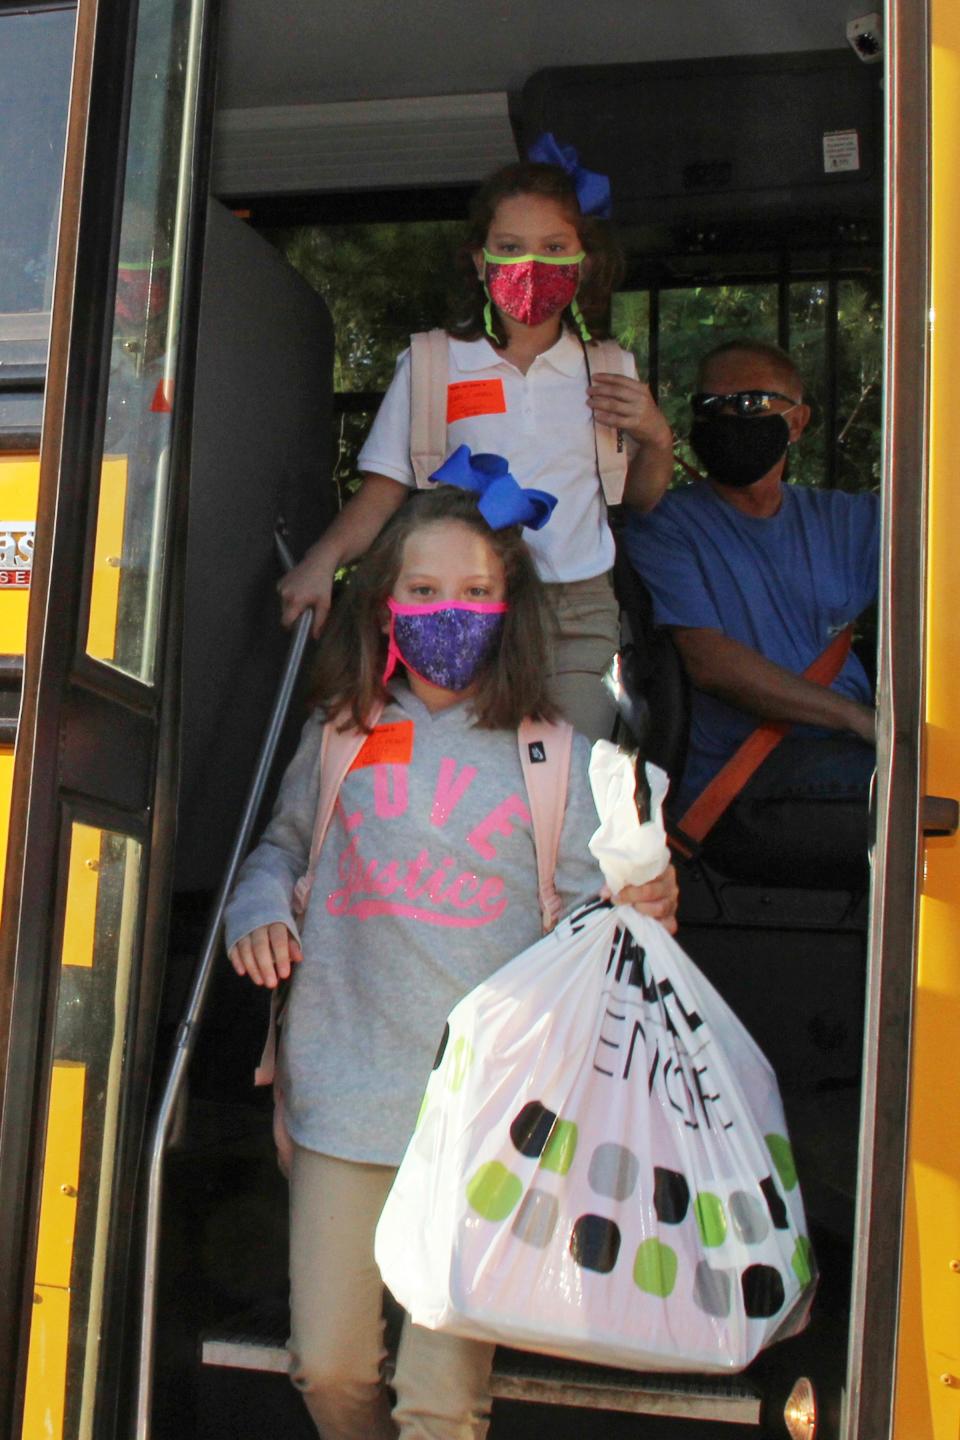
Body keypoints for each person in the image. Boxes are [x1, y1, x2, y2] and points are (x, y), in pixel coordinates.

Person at [224, 484, 678, 1440]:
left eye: (475, 591)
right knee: (330, 1370)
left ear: (510, 605)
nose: (449, 613)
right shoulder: (341, 733)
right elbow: (279, 849)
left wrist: (648, 905)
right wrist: (257, 910)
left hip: (492, 1120)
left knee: (440, 1405)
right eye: (423, 590)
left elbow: (612, 917)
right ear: (384, 600)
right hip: (344, 1093)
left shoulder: (560, 756)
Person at [278, 150, 674, 741]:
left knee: (566, 784)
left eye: (555, 247)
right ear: (479, 261)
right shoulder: (434, 362)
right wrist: (321, 560)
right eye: (510, 247)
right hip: (459, 605)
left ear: (585, 263)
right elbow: (384, 492)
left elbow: (639, 498)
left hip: (578, 615)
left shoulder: (611, 367)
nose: (532, 263)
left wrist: (656, 434)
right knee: (469, 780)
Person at [624, 339, 879, 886]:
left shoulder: (844, 520)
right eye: (709, 407)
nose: (726, 419)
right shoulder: (665, 526)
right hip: (744, 785)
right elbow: (711, 663)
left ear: (797, 421)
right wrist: (860, 720)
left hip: (840, 754)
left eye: (748, 405)